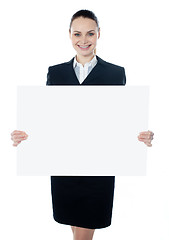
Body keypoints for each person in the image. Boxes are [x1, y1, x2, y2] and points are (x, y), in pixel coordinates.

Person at [11, 9, 154, 240]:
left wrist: (142, 135)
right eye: (77, 34)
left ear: (99, 34)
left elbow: (123, 119)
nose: (84, 40)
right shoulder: (55, 73)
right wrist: (26, 135)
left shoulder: (115, 74)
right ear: (69, 35)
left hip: (99, 167)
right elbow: (48, 117)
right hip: (64, 165)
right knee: (75, 226)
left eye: (90, 33)